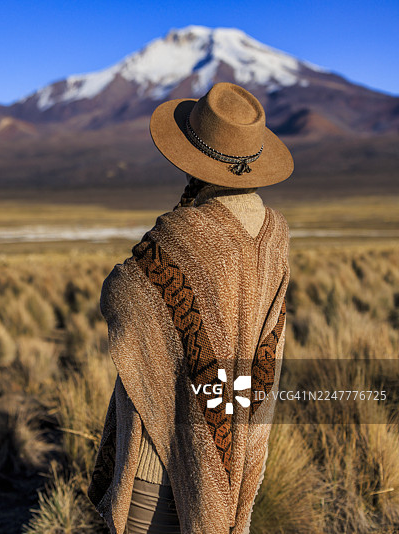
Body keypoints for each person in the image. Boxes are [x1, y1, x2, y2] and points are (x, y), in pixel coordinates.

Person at [87, 82, 293, 534]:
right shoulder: (276, 232)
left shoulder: (184, 233)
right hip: (235, 430)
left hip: (161, 448)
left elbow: (121, 295)